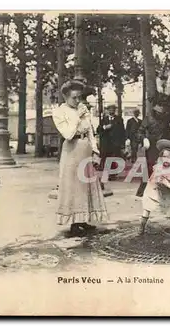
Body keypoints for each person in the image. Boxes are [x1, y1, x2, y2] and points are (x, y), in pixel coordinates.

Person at [52, 78, 108, 237]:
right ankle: (74, 223)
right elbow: (68, 134)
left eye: (79, 97)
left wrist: (95, 150)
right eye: (74, 98)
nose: (77, 100)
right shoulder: (59, 112)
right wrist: (77, 116)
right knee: (73, 185)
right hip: (72, 150)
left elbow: (90, 131)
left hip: (85, 149)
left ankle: (84, 219)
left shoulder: (83, 108)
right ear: (65, 97)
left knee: (86, 184)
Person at [139, 139, 170, 238]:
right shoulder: (158, 168)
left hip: (168, 191)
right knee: (147, 208)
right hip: (154, 189)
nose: (166, 159)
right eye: (163, 157)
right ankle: (141, 229)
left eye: (169, 157)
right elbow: (162, 180)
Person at [135, 103, 170, 197]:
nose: (160, 114)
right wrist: (144, 139)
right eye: (158, 112)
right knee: (149, 168)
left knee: (162, 169)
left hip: (162, 147)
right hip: (151, 147)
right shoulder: (148, 119)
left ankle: (159, 191)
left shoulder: (165, 121)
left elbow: (168, 134)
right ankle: (143, 191)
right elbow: (139, 132)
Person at [97, 105, 126, 180]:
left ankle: (113, 174)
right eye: (110, 109)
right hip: (106, 143)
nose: (111, 111)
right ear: (108, 110)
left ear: (115, 110)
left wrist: (122, 143)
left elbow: (122, 131)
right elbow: (98, 130)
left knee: (114, 158)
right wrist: (105, 127)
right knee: (106, 158)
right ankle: (108, 174)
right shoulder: (104, 119)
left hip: (115, 143)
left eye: (113, 109)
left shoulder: (119, 119)